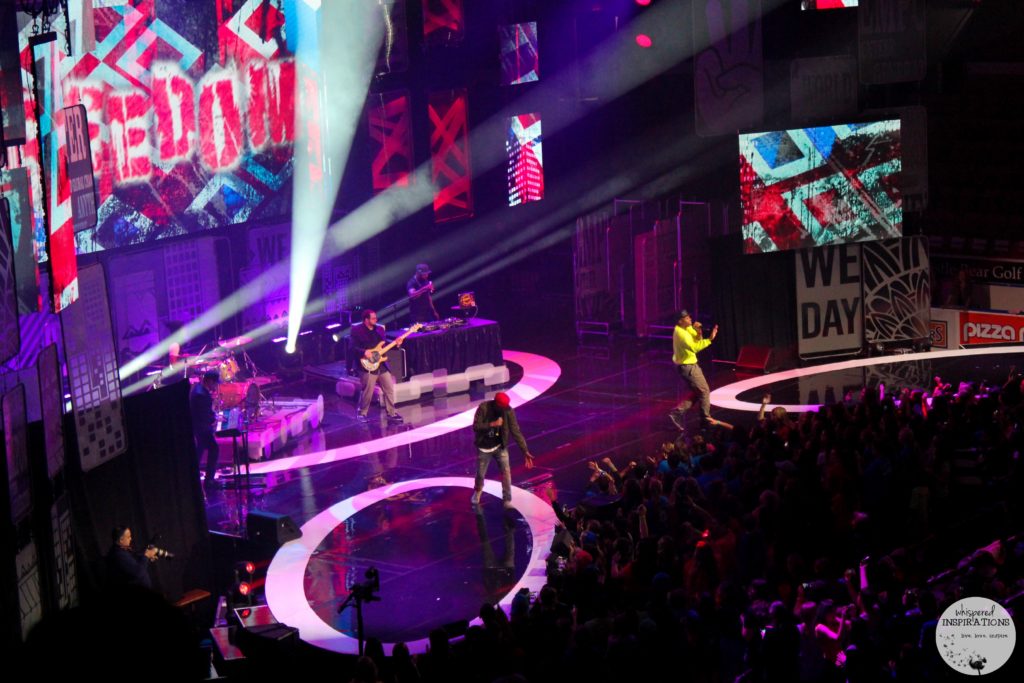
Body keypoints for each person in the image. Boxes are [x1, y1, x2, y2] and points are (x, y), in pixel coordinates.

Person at [472, 391, 534, 508]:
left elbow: (515, 431)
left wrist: (524, 450)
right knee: (480, 474)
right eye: (502, 407)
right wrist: (492, 424)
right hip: (484, 448)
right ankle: (478, 491)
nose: (505, 409)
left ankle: (507, 499)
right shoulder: (484, 408)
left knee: (506, 472)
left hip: (500, 447)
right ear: (496, 404)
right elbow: (476, 426)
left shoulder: (508, 411)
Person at [668, 309, 718, 430]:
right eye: (687, 318)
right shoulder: (681, 334)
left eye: (689, 317)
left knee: (699, 392)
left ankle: (677, 413)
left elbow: (697, 337)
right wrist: (710, 339)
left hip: (687, 365)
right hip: (688, 367)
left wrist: (698, 330)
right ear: (680, 321)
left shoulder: (686, 328)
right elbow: (695, 347)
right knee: (704, 391)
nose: (690, 319)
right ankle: (706, 420)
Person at [351, 309, 403, 423]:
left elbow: (384, 345)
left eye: (376, 317)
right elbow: (352, 347)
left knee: (389, 389)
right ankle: (362, 413)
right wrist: (363, 351)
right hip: (366, 365)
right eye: (373, 318)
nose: (376, 320)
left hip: (381, 364)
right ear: (366, 320)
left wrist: (396, 345)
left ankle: (391, 413)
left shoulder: (379, 329)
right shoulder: (356, 330)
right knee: (367, 391)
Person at [190, 369, 220, 488]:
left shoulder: (198, 388)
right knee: (214, 449)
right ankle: (209, 481)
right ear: (209, 381)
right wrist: (214, 420)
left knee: (199, 452)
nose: (217, 386)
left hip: (198, 428)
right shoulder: (202, 395)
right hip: (201, 429)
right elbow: (204, 417)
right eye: (216, 383)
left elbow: (205, 411)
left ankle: (199, 479)